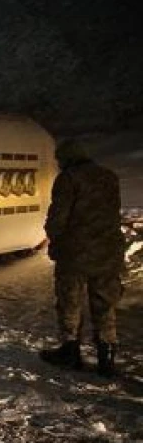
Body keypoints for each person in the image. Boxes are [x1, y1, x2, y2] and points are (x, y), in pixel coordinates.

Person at [40, 139, 125, 376]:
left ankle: (70, 351)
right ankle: (106, 358)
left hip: (75, 254)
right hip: (108, 252)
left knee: (70, 302)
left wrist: (53, 237)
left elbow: (58, 217)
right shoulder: (109, 176)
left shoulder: (68, 179)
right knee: (105, 304)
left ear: (66, 158)